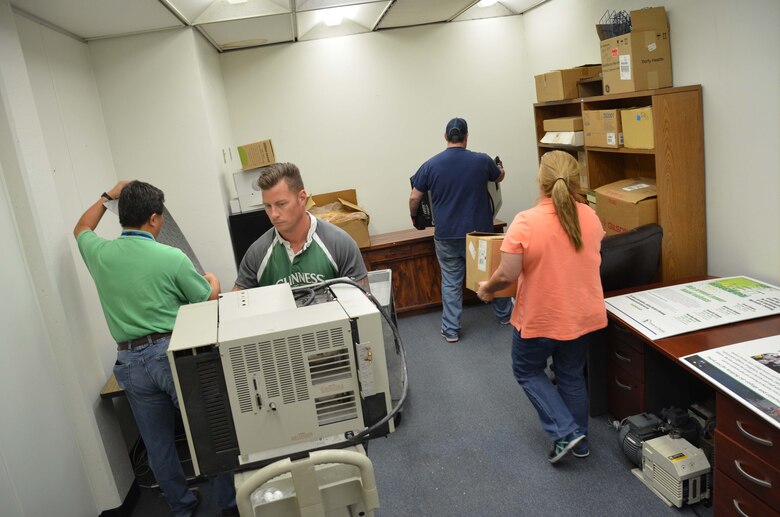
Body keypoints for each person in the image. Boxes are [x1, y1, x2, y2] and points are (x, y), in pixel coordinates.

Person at [74, 180, 237, 516]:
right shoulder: (170, 256)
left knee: (158, 445)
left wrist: (108, 195)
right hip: (172, 354)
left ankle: (182, 508)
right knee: (208, 432)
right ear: (153, 218)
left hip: (128, 363)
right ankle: (229, 505)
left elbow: (82, 227)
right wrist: (212, 279)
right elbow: (207, 298)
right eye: (160, 217)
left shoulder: (100, 253)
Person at [476, 151, 607, 464]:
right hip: (582, 315)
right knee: (571, 375)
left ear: (541, 181)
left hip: (541, 318)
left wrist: (487, 288)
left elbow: (507, 273)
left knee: (526, 370)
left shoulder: (526, 221)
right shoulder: (590, 216)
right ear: (577, 181)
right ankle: (582, 442)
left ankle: (564, 431)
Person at [409, 117, 512, 343]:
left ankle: (451, 330)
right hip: (479, 235)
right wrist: (501, 168)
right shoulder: (482, 161)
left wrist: (415, 219)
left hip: (446, 236)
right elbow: (499, 176)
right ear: (466, 137)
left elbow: (415, 196)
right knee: (493, 274)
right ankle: (506, 317)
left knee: (451, 282)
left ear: (446, 137)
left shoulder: (430, 165)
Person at [233, 162, 368, 290]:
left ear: (302, 198)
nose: (273, 214)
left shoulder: (341, 244)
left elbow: (365, 305)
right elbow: (236, 306)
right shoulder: (256, 254)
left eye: (281, 204)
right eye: (268, 206)